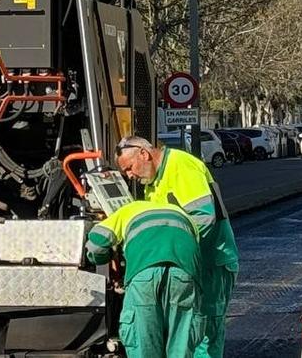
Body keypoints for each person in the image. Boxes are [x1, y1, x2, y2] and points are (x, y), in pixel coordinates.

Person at [116, 136, 238, 358]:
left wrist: (176, 252)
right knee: (182, 334)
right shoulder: (152, 184)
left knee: (204, 332)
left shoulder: (180, 166)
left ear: (144, 153)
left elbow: (204, 217)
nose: (130, 176)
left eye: (129, 168)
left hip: (211, 262)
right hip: (185, 266)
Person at [84, 199, 201, 357]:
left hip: (145, 275)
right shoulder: (182, 214)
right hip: (184, 272)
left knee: (144, 341)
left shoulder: (127, 210)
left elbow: (95, 246)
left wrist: (105, 256)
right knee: (181, 341)